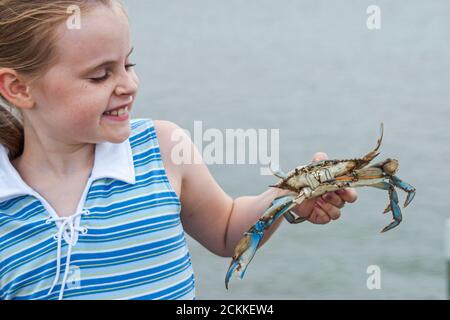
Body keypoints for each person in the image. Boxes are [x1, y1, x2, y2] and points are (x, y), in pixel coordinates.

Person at [0, 0, 357, 300]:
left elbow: (227, 231)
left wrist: (287, 195)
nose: (128, 84)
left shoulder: (161, 148)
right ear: (18, 87)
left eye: (128, 64)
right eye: (100, 76)